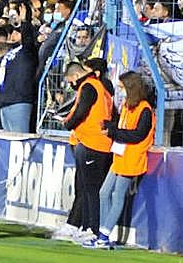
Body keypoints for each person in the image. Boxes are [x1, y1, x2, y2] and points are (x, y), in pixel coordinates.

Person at [85, 71, 155, 250]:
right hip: (119, 155)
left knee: (117, 196)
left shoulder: (145, 109)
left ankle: (104, 236)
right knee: (104, 193)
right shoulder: (126, 106)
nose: (120, 91)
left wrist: (113, 132)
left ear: (131, 88)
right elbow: (122, 127)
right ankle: (102, 233)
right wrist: (109, 127)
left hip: (132, 157)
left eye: (122, 87)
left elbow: (138, 135)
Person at [58, 59, 114, 242]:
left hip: (93, 142)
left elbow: (81, 112)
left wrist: (68, 123)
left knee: (90, 189)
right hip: (92, 141)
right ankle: (82, 225)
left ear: (76, 75)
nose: (71, 85)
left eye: (71, 81)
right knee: (84, 187)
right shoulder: (97, 86)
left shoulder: (89, 87)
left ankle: (92, 228)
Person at [0, 2, 38, 133]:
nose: (13, 34)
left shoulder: (27, 51)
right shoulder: (10, 52)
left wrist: (24, 22)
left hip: (20, 100)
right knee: (8, 140)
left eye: (17, 32)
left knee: (20, 138)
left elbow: (28, 40)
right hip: (4, 101)